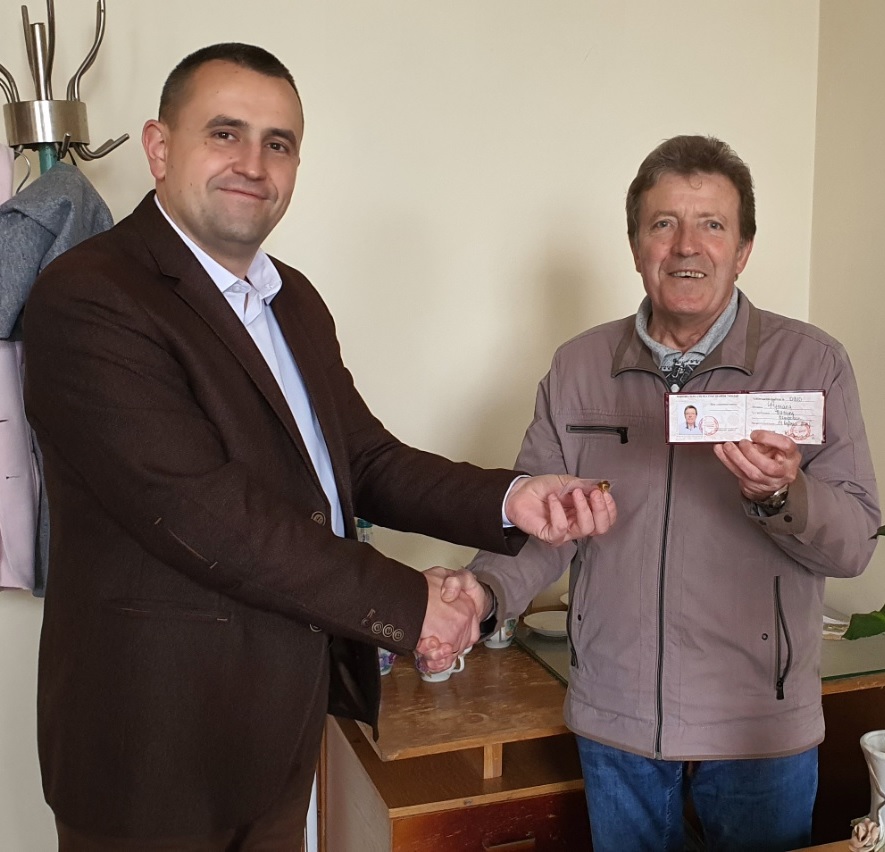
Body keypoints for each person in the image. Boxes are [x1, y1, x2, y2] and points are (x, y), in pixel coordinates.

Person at [22, 44, 616, 849]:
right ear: (159, 147)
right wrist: (410, 604)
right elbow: (201, 511)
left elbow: (362, 460)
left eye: (278, 143)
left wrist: (512, 498)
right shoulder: (91, 294)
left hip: (279, 731)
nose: (253, 163)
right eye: (225, 133)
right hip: (150, 748)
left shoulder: (291, 298)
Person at [446, 135, 880, 851]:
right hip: (615, 726)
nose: (686, 246)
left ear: (742, 250)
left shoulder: (813, 363)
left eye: (712, 224)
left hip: (757, 729)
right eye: (663, 223)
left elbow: (855, 542)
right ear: (635, 245)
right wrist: (482, 593)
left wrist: (785, 494)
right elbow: (543, 526)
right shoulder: (578, 367)